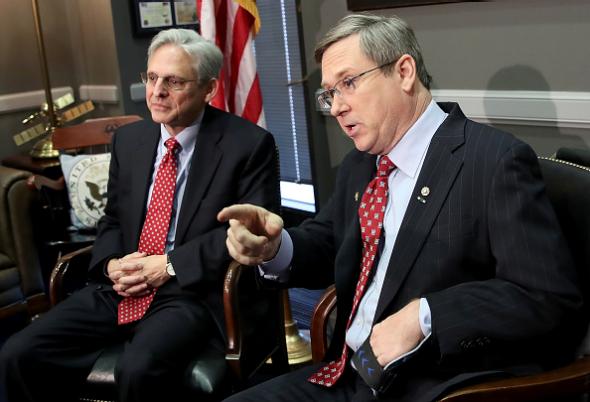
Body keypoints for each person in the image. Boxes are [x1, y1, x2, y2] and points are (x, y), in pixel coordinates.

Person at [217, 13, 583, 402]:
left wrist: (426, 315)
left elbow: (545, 298)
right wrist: (274, 248)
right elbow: (330, 242)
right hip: (347, 374)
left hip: (433, 386)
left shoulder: (494, 162)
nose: (337, 107)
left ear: (404, 72)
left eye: (348, 83)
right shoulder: (361, 162)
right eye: (330, 93)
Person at [0, 28, 279, 402]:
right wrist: (112, 264)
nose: (157, 91)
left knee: (138, 369)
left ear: (209, 89)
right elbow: (114, 217)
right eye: (151, 77)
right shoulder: (130, 141)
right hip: (121, 285)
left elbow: (248, 232)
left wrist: (170, 265)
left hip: (189, 291)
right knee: (17, 353)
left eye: (173, 81)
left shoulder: (248, 144)